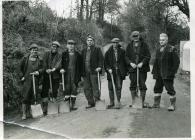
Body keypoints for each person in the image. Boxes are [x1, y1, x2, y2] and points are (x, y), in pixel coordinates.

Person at [152, 33, 180, 111]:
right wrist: (155, 73)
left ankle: (172, 105)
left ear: (167, 40)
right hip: (159, 74)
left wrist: (172, 73)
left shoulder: (171, 48)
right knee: (157, 88)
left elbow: (176, 62)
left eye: (163, 40)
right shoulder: (158, 49)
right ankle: (156, 104)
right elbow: (156, 63)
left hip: (168, 74)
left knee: (170, 89)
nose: (161, 41)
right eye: (160, 40)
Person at [125, 31, 151, 108]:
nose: (135, 38)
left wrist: (142, 63)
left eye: (137, 36)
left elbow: (148, 56)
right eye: (134, 36)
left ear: (139, 36)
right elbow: (126, 56)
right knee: (133, 84)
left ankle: (142, 102)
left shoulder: (144, 45)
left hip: (142, 69)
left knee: (142, 84)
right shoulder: (129, 46)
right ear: (132, 37)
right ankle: (134, 101)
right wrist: (130, 63)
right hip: (132, 69)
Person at [20, 43, 43, 120]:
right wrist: (22, 76)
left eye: (36, 50)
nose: (34, 51)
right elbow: (19, 69)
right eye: (33, 50)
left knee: (34, 96)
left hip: (35, 80)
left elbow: (42, 69)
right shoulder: (25, 59)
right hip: (27, 81)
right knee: (25, 97)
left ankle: (30, 112)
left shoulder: (39, 60)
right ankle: (24, 113)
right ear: (30, 51)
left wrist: (38, 72)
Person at [81, 35, 104, 109]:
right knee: (86, 88)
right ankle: (91, 103)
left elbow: (101, 59)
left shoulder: (97, 49)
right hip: (85, 72)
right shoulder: (83, 50)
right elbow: (81, 61)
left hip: (94, 72)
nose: (89, 42)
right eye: (88, 40)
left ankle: (97, 101)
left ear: (93, 42)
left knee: (95, 87)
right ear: (86, 42)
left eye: (91, 40)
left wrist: (99, 67)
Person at [104, 38, 127, 109]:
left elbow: (125, 62)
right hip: (111, 73)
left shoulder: (122, 51)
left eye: (116, 43)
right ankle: (112, 102)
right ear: (112, 43)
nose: (115, 44)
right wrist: (108, 69)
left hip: (119, 73)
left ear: (118, 43)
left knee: (118, 87)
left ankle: (118, 102)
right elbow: (105, 63)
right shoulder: (108, 52)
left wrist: (126, 71)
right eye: (114, 42)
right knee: (111, 88)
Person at [60, 40, 82, 110]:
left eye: (72, 44)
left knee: (74, 88)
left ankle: (73, 104)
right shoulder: (63, 54)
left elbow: (80, 66)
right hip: (66, 74)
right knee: (67, 88)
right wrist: (61, 69)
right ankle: (66, 104)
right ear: (67, 45)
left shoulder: (78, 55)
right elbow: (60, 64)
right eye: (69, 44)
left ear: (74, 46)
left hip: (74, 73)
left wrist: (80, 75)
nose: (71, 46)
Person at [41, 41, 61, 115]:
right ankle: (45, 107)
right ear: (51, 46)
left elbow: (59, 63)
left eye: (56, 47)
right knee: (44, 91)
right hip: (47, 75)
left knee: (55, 90)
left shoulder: (59, 55)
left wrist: (53, 69)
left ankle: (54, 104)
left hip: (55, 76)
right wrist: (46, 69)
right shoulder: (46, 54)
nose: (54, 48)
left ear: (57, 48)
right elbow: (44, 62)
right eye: (53, 46)